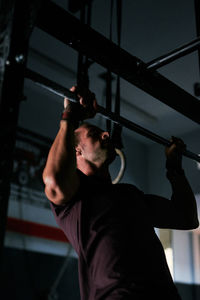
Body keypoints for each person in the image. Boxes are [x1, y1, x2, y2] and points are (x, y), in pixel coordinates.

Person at [43, 86, 199, 300]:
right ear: (77, 150)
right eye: (94, 134)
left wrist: (174, 168)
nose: (106, 134)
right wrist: (70, 116)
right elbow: (54, 181)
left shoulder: (130, 194)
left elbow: (187, 218)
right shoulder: (75, 197)